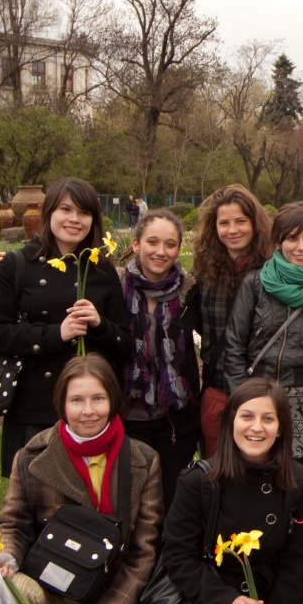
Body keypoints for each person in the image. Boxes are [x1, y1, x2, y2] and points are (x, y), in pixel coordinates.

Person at [0, 354, 164, 604]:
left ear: (114, 400)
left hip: (101, 591)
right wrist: (6, 554)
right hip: (46, 585)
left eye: (98, 399)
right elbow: (12, 523)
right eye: (77, 400)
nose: (88, 411)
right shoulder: (32, 456)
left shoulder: (143, 460)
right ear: (61, 404)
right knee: (1, 594)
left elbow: (144, 550)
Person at [160, 378, 303, 604]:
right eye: (246, 416)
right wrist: (225, 601)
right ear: (230, 422)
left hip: (266, 601)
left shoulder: (297, 480)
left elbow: (297, 562)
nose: (256, 428)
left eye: (268, 419)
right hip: (212, 598)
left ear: (281, 428)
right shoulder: (199, 482)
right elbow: (178, 557)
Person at [0, 178, 130, 477]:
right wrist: (54, 335)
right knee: (33, 504)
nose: (74, 219)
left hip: (90, 412)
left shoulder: (101, 269)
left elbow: (124, 345)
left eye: (84, 213)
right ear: (49, 212)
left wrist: (99, 325)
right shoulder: (16, 264)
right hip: (34, 406)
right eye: (65, 209)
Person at [220, 202, 303, 475]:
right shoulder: (255, 284)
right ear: (278, 241)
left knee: (297, 487)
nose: (300, 247)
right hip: (258, 403)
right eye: (292, 238)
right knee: (252, 484)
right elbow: (233, 348)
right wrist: (241, 403)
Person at [117, 209, 202, 509]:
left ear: (180, 248)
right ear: (137, 244)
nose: (161, 252)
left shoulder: (191, 291)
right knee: (130, 500)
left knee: (171, 500)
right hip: (128, 416)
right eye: (152, 242)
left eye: (170, 244)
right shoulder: (115, 288)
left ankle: (168, 556)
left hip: (176, 421)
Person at [190, 185, 273, 457]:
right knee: (217, 467)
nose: (232, 230)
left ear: (254, 223)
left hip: (262, 390)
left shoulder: (273, 270)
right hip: (218, 386)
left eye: (240, 221)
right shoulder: (205, 268)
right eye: (224, 223)